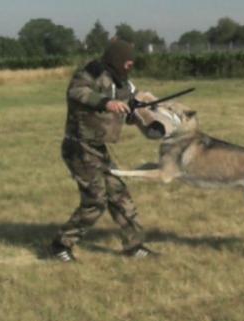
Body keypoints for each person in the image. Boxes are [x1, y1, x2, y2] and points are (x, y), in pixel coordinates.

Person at [50, 40, 155, 262]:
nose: (130, 65)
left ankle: (134, 246)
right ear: (116, 58)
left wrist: (140, 116)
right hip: (79, 147)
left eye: (131, 62)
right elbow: (77, 92)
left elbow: (127, 110)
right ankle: (61, 245)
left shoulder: (123, 81)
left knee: (119, 195)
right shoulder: (90, 72)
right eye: (126, 61)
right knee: (95, 201)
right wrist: (106, 102)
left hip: (98, 148)